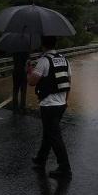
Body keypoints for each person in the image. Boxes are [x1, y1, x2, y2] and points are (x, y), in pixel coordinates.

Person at [27, 35, 72, 179]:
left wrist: (29, 71)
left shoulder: (43, 61)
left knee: (54, 136)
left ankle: (65, 169)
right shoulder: (64, 59)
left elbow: (32, 82)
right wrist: (66, 100)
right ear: (55, 44)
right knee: (49, 133)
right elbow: (68, 80)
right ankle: (41, 159)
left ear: (43, 46)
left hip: (49, 105)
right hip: (61, 104)